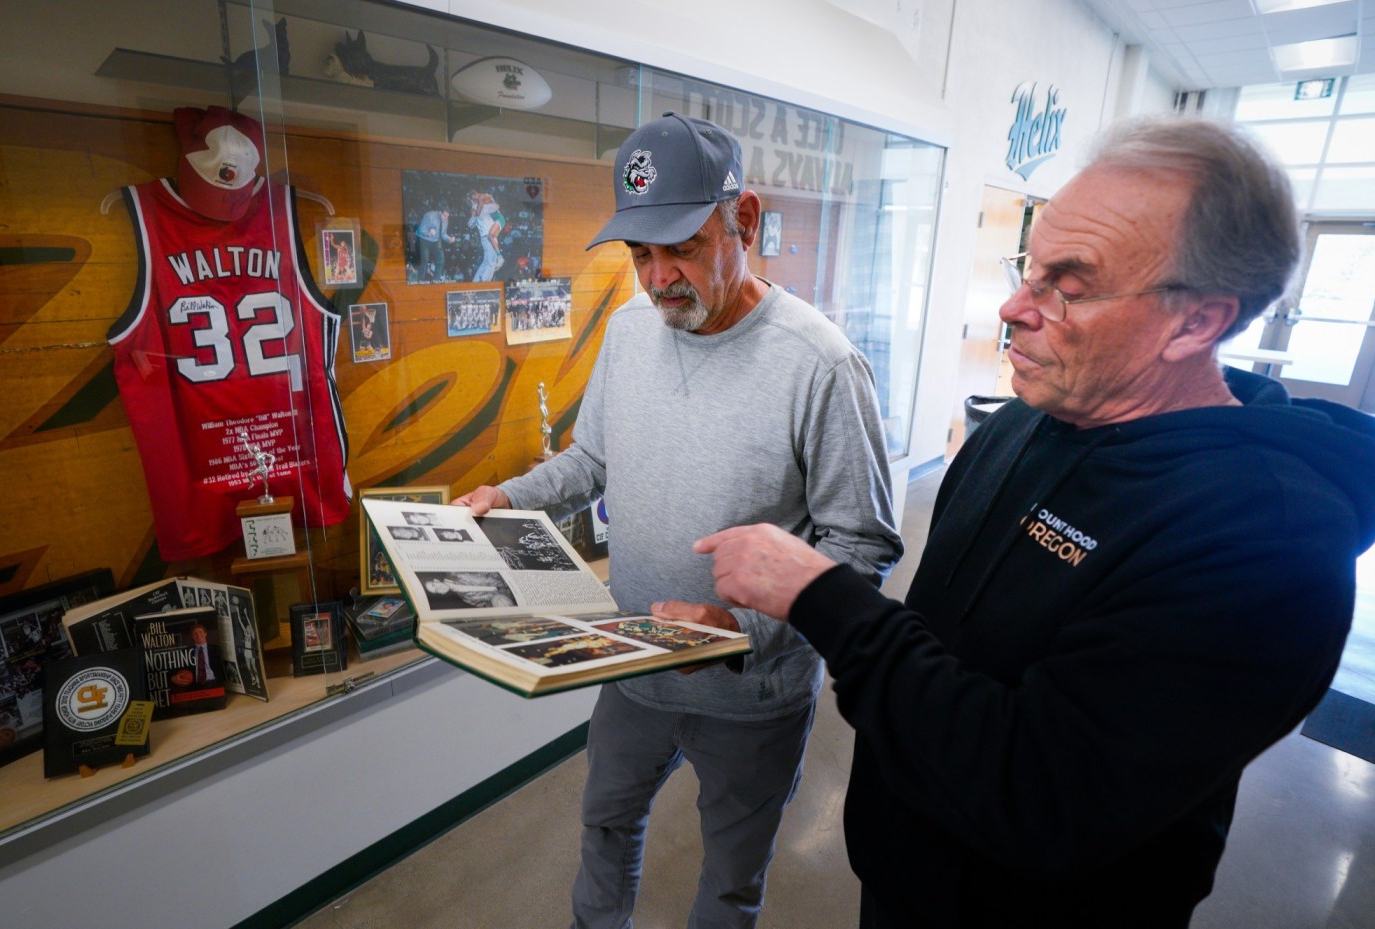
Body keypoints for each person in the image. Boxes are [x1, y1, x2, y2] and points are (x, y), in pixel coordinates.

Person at [694, 115, 1375, 928]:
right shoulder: (1028, 418)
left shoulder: (1267, 544)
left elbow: (1040, 796)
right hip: (907, 875)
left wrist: (825, 598)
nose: (1014, 306)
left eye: (1070, 285)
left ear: (1197, 322)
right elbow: (945, 648)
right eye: (1031, 266)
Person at [455, 111, 903, 929]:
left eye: (684, 247)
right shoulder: (629, 334)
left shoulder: (822, 364)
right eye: (640, 254)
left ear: (746, 220)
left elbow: (859, 546)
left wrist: (735, 628)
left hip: (755, 693)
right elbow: (592, 460)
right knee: (604, 823)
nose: (659, 278)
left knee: (729, 878)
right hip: (632, 663)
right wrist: (508, 497)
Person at [467, 189, 505, 281]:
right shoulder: (478, 208)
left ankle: (476, 281)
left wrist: (475, 211)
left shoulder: (481, 203)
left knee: (487, 261)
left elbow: (495, 206)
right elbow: (471, 223)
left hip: (486, 236)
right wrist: (475, 211)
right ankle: (484, 282)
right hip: (487, 236)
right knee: (491, 261)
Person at [415, 204, 455, 282]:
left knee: (441, 260)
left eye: (447, 216)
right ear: (440, 213)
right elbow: (420, 231)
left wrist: (449, 239)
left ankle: (436, 280)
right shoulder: (429, 216)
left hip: (436, 241)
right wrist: (428, 233)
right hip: (425, 240)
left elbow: (443, 234)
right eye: (444, 216)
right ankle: (421, 280)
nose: (446, 218)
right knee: (424, 260)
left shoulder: (445, 220)